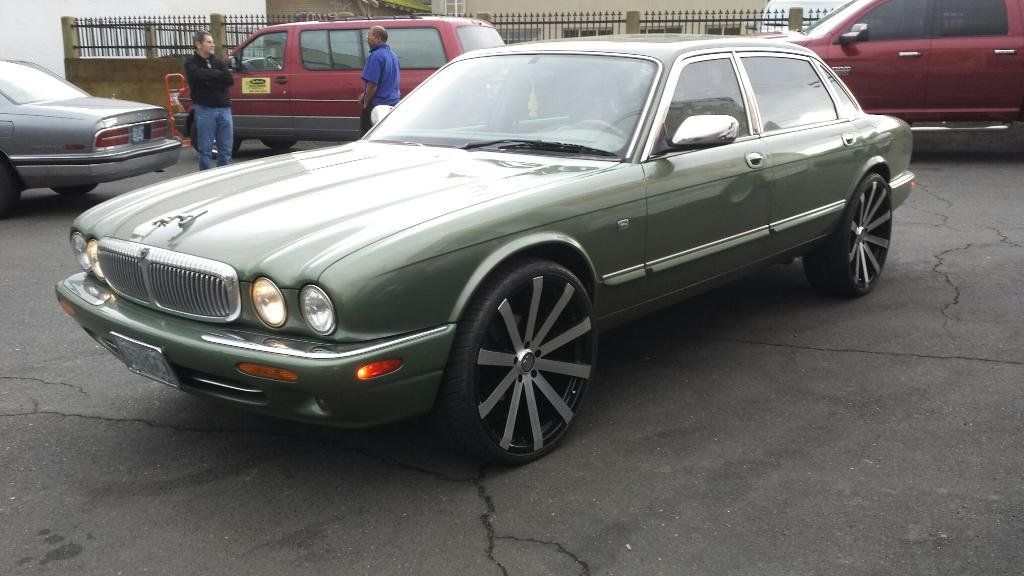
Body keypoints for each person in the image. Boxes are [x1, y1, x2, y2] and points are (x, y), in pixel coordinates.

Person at [185, 31, 234, 170]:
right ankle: (205, 178)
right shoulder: (191, 63)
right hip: (205, 110)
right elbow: (197, 76)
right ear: (198, 45)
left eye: (212, 42)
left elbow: (228, 80)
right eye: (209, 42)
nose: (213, 44)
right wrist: (217, 76)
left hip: (224, 110)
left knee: (225, 150)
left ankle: (223, 176)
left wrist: (209, 78)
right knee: (205, 150)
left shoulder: (218, 62)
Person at [359, 26, 401, 136]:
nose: (367, 39)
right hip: (393, 103)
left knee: (368, 135)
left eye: (369, 36)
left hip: (377, 105)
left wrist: (366, 101)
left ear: (378, 38)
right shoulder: (393, 55)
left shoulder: (375, 56)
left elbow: (373, 84)